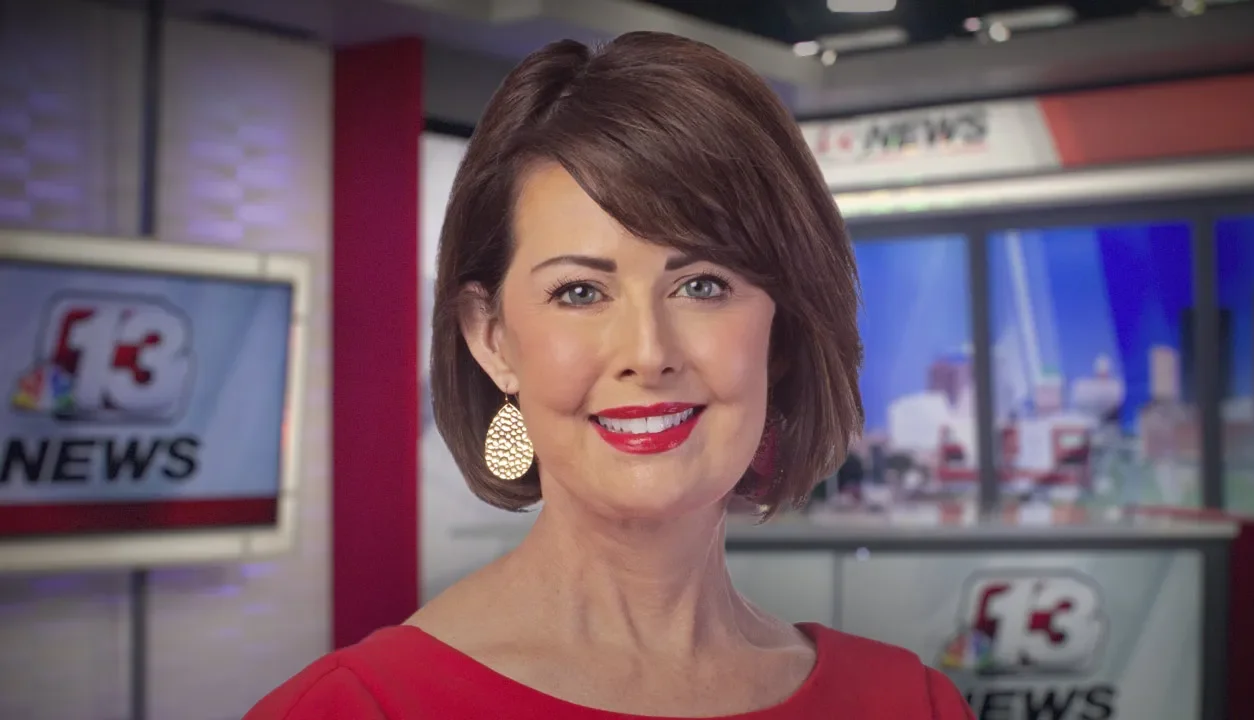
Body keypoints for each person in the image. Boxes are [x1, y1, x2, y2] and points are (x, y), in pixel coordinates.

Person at [245, 31, 973, 720]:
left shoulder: (909, 704)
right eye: (580, 292)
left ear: (780, 330)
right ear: (492, 339)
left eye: (703, 285)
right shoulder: (356, 708)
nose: (648, 352)